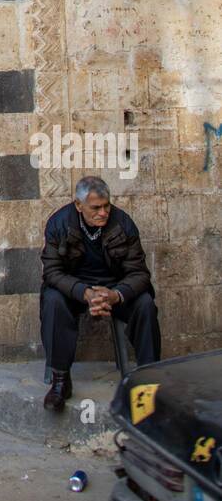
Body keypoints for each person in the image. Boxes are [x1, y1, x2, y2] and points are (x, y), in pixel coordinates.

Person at [40, 175, 161, 410]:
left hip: (113, 289)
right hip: (74, 290)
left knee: (145, 303)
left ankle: (149, 382)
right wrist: (84, 293)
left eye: (106, 206)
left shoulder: (122, 223)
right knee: (53, 300)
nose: (103, 213)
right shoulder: (59, 224)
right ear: (79, 205)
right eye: (95, 208)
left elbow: (139, 274)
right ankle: (60, 381)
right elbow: (52, 272)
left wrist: (115, 295)